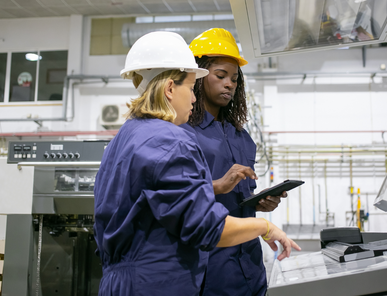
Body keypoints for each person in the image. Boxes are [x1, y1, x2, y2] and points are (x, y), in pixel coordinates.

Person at [93, 31, 300, 296]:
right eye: (191, 88)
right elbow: (207, 227)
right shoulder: (169, 139)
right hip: (158, 282)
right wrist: (266, 227)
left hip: (123, 281)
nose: (193, 98)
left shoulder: (126, 136)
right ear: (170, 88)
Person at [184, 28, 286, 296]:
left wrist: (261, 200)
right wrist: (218, 184)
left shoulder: (242, 137)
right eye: (220, 76)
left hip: (249, 261)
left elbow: (241, 197)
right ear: (197, 77)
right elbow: (176, 195)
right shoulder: (182, 132)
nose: (229, 83)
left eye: (235, 79)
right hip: (208, 263)